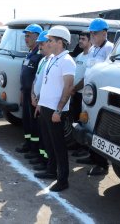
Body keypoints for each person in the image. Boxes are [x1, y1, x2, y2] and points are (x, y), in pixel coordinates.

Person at [34, 25, 76, 192]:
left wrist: (58, 110)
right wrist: (40, 104)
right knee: (49, 142)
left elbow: (68, 86)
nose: (47, 43)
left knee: (59, 146)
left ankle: (63, 179)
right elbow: (46, 84)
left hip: (56, 111)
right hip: (45, 107)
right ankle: (51, 170)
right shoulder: (52, 58)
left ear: (60, 42)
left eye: (50, 40)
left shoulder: (67, 61)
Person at [76, 18, 113, 176]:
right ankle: (92, 156)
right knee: (87, 124)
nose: (92, 37)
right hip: (88, 95)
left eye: (94, 34)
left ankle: (102, 164)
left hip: (100, 97)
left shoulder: (109, 48)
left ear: (104, 34)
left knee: (98, 128)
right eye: (91, 33)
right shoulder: (93, 49)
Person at [15, 24, 44, 163]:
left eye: (29, 36)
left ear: (37, 37)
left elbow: (39, 78)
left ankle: (34, 148)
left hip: (34, 96)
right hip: (26, 93)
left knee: (34, 123)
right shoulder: (30, 53)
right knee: (26, 120)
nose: (26, 38)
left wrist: (34, 95)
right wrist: (22, 91)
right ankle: (28, 144)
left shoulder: (39, 55)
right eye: (25, 36)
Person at [29, 30, 50, 171]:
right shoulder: (43, 60)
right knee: (40, 132)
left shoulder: (51, 61)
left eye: (42, 43)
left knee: (46, 136)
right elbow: (36, 80)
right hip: (36, 100)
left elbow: (47, 85)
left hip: (43, 103)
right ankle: (40, 156)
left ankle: (45, 161)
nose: (40, 46)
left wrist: (39, 100)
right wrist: (32, 95)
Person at [69, 31, 92, 158]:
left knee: (84, 121)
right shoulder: (79, 56)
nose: (80, 41)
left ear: (90, 41)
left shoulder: (91, 58)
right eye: (80, 39)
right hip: (76, 93)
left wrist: (74, 88)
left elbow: (86, 78)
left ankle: (84, 147)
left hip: (84, 95)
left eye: (83, 39)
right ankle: (76, 143)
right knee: (75, 120)